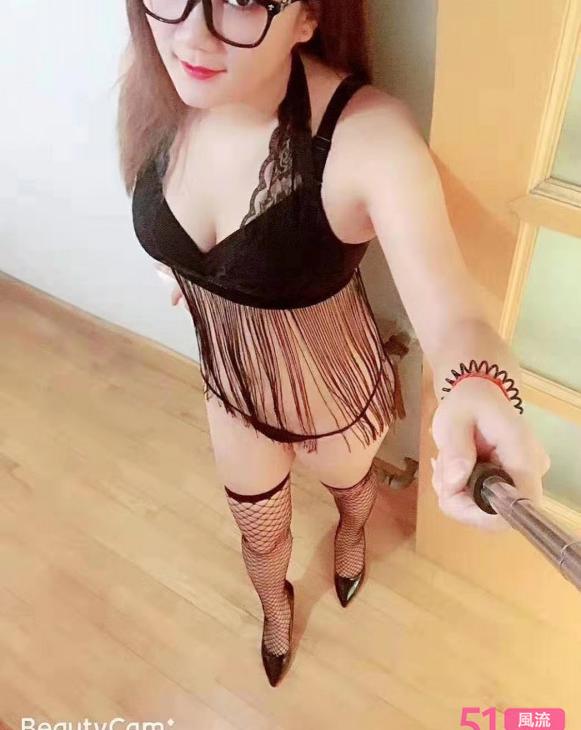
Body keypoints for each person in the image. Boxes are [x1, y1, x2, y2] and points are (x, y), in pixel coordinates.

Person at [118, 0, 551, 687]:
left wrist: (478, 386)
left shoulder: (367, 138)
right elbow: (161, 203)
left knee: (352, 495)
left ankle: (351, 538)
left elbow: (453, 315)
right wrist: (185, 270)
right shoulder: (156, 79)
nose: (192, 33)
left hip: (333, 391)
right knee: (260, 534)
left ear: (307, 17)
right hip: (232, 390)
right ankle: (275, 609)